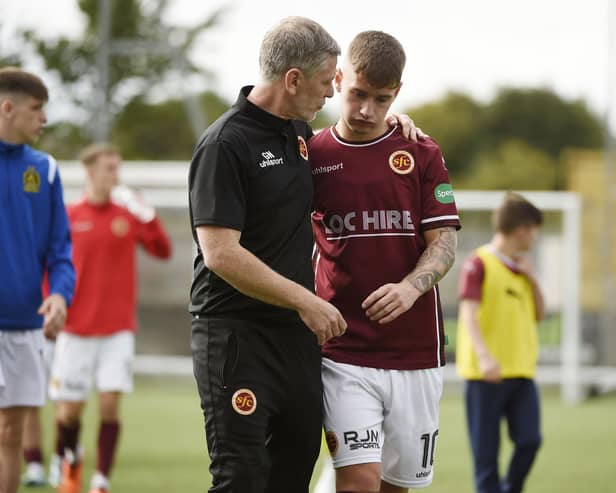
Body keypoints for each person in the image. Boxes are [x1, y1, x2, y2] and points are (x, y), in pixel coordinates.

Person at [309, 31, 460, 493]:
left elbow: (445, 242)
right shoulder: (310, 155)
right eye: (357, 94)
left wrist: (411, 287)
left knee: (397, 486)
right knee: (358, 483)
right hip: (343, 350)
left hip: (416, 353)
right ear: (338, 79)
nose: (366, 111)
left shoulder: (421, 152)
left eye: (382, 99)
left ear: (398, 93)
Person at [49, 143, 172, 493]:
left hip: (117, 330)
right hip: (75, 330)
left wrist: (147, 213)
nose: (115, 175)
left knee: (108, 407)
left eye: (118, 168)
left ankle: (101, 479)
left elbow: (163, 251)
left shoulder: (127, 214)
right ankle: (70, 465)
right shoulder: (69, 215)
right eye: (109, 168)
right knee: (69, 413)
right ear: (90, 172)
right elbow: (51, 267)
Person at [0, 67, 76, 493]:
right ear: (7, 108)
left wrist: (61, 296)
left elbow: (60, 253)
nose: (44, 119)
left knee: (11, 434)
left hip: (26, 326)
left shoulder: (45, 170)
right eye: (36, 109)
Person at [456, 192, 544, 493]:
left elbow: (539, 315)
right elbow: (468, 314)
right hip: (486, 375)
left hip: (521, 372)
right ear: (523, 229)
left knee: (530, 441)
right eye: (534, 229)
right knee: (486, 458)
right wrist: (485, 356)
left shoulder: (522, 268)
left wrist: (532, 279)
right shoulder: (478, 263)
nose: (534, 237)